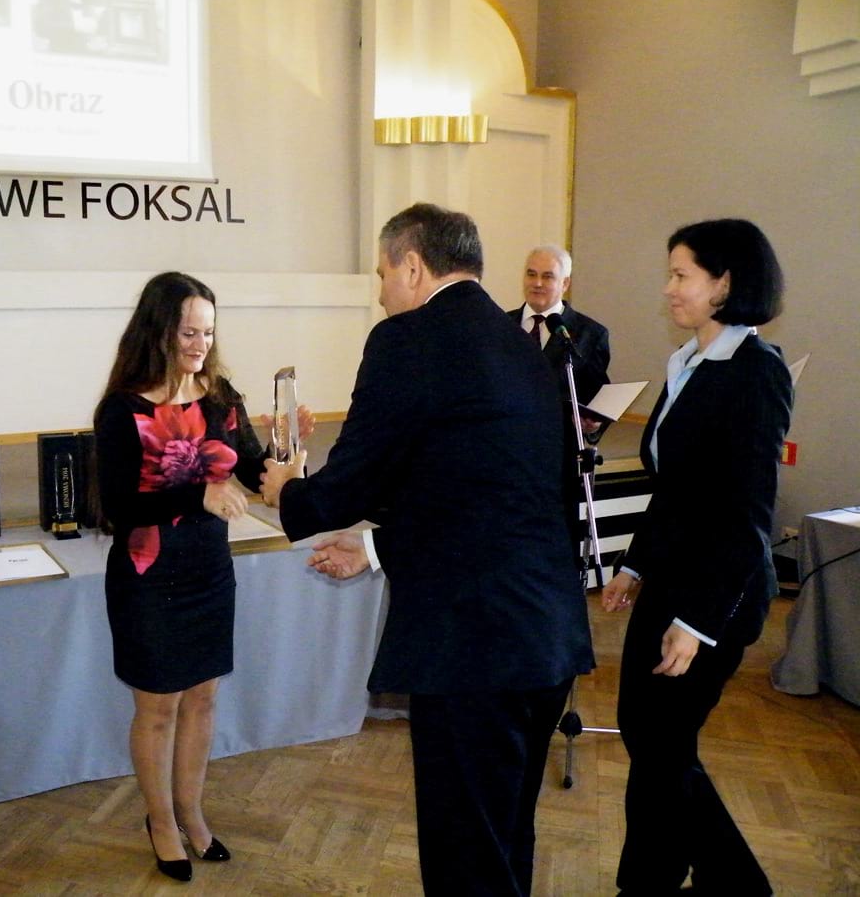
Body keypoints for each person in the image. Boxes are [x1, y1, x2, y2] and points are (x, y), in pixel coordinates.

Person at [260, 204, 594, 896]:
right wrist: (377, 548)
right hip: (545, 635)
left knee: (464, 855)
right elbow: (485, 499)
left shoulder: (406, 340)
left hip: (473, 647)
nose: (381, 292)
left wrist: (287, 489)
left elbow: (348, 486)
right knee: (505, 837)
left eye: (383, 274)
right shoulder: (525, 345)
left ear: (412, 266)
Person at [93, 271, 313, 883]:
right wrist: (198, 493)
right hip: (148, 574)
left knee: (203, 698)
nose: (200, 344)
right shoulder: (123, 408)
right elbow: (118, 506)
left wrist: (286, 453)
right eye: (188, 332)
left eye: (208, 332)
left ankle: (191, 811)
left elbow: (253, 470)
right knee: (158, 707)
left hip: (208, 571)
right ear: (158, 330)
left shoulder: (220, 396)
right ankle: (160, 820)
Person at [601, 219, 792, 895]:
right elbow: (676, 490)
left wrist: (698, 621)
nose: (669, 288)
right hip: (670, 582)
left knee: (661, 741)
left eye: (681, 274)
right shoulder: (689, 361)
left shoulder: (756, 373)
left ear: (725, 283)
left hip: (718, 596)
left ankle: (662, 882)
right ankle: (717, 879)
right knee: (650, 735)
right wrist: (635, 565)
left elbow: (747, 515)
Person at [509, 245, 611, 565]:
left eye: (548, 276)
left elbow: (597, 397)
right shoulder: (499, 325)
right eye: (531, 274)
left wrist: (592, 426)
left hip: (558, 464)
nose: (537, 283)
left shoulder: (589, 333)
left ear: (565, 283)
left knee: (553, 552)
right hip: (506, 459)